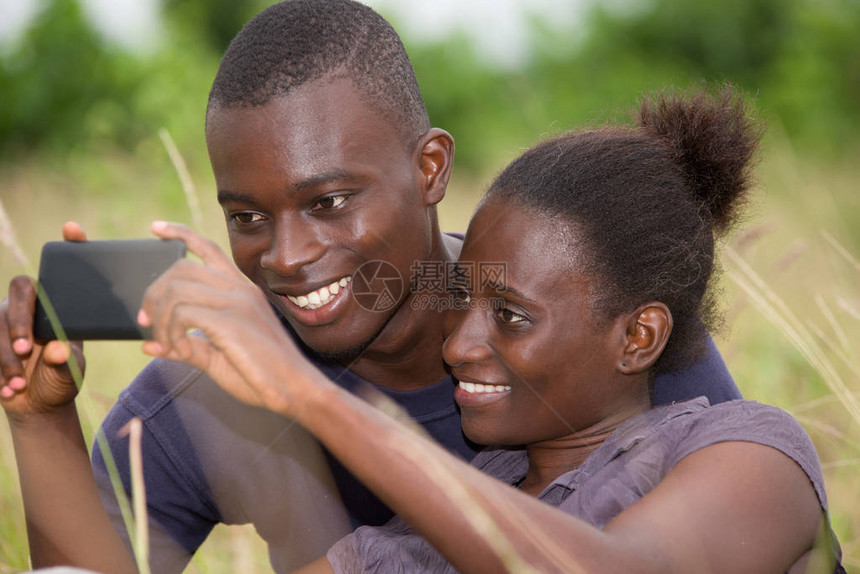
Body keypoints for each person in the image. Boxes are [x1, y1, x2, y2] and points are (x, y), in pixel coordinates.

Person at [0, 1, 741, 571]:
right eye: (248, 216)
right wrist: (39, 419)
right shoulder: (203, 393)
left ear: (430, 170)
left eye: (329, 203)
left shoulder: (591, 333)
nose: (286, 257)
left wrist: (301, 391)